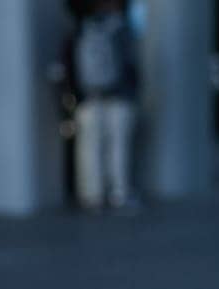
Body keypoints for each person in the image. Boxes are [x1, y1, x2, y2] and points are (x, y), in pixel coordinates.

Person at [67, 0, 139, 213]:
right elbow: (130, 63)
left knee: (89, 148)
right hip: (118, 96)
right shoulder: (120, 28)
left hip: (89, 98)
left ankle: (91, 195)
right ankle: (119, 192)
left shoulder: (83, 28)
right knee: (118, 147)